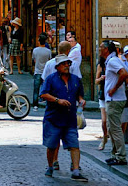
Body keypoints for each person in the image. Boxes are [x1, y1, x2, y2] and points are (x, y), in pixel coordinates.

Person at [40, 53, 87, 181]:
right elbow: (43, 94)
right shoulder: (51, 79)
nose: (67, 66)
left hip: (70, 119)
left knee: (74, 145)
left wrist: (82, 101)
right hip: (53, 118)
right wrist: (57, 100)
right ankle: (50, 166)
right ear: (58, 67)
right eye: (64, 64)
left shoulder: (76, 80)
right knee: (52, 145)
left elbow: (80, 96)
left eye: (68, 64)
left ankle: (76, 170)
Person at [101, 40, 128, 166]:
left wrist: (114, 88)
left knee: (115, 128)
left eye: (101, 47)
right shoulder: (113, 60)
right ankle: (115, 154)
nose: (99, 49)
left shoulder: (112, 61)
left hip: (114, 100)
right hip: (114, 99)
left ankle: (120, 156)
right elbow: (126, 75)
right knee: (112, 128)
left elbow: (124, 74)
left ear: (106, 49)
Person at [32, 34, 52, 111]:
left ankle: (35, 105)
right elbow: (49, 60)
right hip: (46, 72)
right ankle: (47, 104)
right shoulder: (48, 51)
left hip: (37, 72)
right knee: (47, 90)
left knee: (36, 90)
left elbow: (34, 60)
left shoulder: (35, 50)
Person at [95, 52, 108, 150]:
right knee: (104, 121)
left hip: (113, 94)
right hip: (103, 94)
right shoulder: (101, 66)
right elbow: (96, 81)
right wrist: (101, 78)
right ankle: (104, 137)